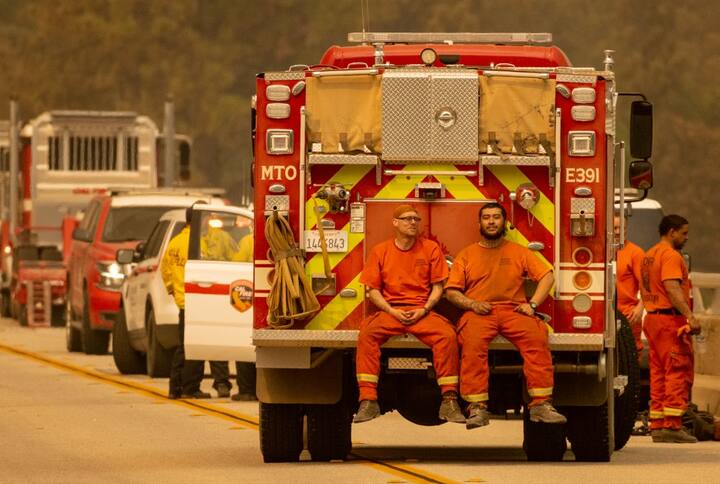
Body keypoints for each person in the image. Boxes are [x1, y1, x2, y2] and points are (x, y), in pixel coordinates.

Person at [445, 203, 565, 429]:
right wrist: (472, 304)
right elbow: (451, 291)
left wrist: (532, 304)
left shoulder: (519, 251)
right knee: (472, 344)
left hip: (514, 310)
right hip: (479, 312)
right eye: (486, 218)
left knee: (537, 339)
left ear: (504, 222)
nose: (491, 222)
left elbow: (547, 276)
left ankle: (540, 405)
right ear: (479, 223)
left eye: (496, 217)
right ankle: (477, 407)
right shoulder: (467, 254)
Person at [353, 204, 465, 424]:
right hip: (391, 310)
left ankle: (449, 400)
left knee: (447, 336)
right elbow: (372, 290)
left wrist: (424, 309)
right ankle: (368, 401)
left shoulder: (431, 248)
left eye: (416, 219)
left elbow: (438, 286)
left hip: (421, 312)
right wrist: (391, 310)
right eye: (407, 219)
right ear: (395, 223)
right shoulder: (380, 251)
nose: (413, 223)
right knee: (367, 334)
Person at [640, 214, 699, 443]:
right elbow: (673, 288)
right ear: (671, 231)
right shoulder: (671, 256)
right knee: (676, 370)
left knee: (659, 373)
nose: (686, 238)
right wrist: (690, 316)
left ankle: (657, 423)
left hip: (652, 320)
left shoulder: (649, 255)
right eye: (683, 233)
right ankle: (672, 426)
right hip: (668, 321)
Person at [161, 202, 211, 399]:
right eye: (207, 218)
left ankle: (175, 387)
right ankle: (191, 387)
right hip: (196, 299)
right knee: (194, 345)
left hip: (183, 300)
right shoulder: (199, 242)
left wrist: (173, 290)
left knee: (183, 345)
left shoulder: (175, 242)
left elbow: (165, 270)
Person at [614, 213, 645, 357]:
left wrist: (640, 307)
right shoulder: (599, 251)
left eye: (622, 228)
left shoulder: (635, 253)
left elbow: (647, 284)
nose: (618, 232)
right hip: (603, 314)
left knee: (630, 357)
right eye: (614, 228)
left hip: (628, 315)